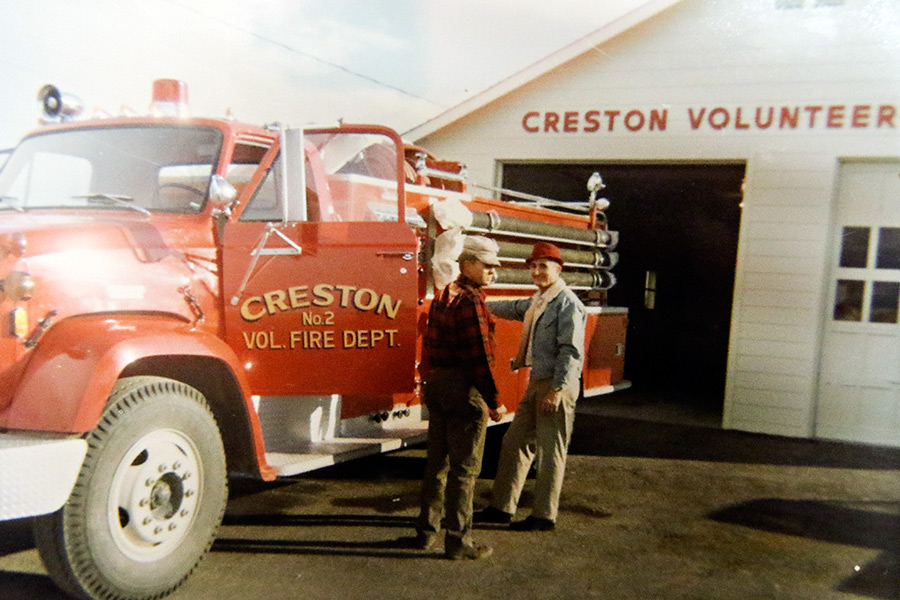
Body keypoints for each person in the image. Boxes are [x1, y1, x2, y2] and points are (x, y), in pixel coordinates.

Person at [475, 241, 586, 531]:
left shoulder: (567, 303)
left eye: (543, 266)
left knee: (550, 452)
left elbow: (571, 352)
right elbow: (513, 308)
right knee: (514, 443)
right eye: (533, 266)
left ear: (558, 269)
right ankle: (501, 508)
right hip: (538, 381)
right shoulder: (539, 301)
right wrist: (478, 304)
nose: (536, 272)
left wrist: (557, 391)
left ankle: (544, 516)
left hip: (556, 385)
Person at [414, 235, 504, 559]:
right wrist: (494, 400)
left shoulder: (442, 295)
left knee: (436, 464)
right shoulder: (471, 301)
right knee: (464, 469)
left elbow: (429, 346)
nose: (493, 272)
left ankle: (425, 532)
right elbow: (478, 356)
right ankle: (458, 542)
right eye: (487, 266)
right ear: (467, 265)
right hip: (463, 389)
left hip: (437, 385)